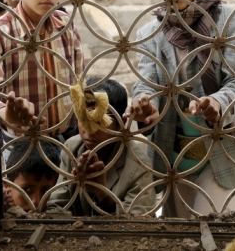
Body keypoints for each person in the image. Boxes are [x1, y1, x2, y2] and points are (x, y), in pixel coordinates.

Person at [126, 0, 235, 218]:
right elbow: (146, 83)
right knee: (179, 228)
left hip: (220, 148)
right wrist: (146, 104)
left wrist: (218, 102)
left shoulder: (227, 21)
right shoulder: (149, 32)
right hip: (174, 152)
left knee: (208, 224)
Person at [0, 0, 84, 148]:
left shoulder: (66, 25)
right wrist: (7, 113)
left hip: (66, 136)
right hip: (21, 143)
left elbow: (78, 80)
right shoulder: (1, 33)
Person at [48, 78, 156, 216]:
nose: (91, 130)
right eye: (84, 119)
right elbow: (57, 204)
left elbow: (136, 223)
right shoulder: (71, 147)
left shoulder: (139, 165)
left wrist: (102, 194)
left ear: (121, 123)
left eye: (100, 121)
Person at [3, 138, 60, 212]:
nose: (36, 201)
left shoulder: (51, 213)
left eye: (45, 190)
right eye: (27, 189)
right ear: (7, 185)